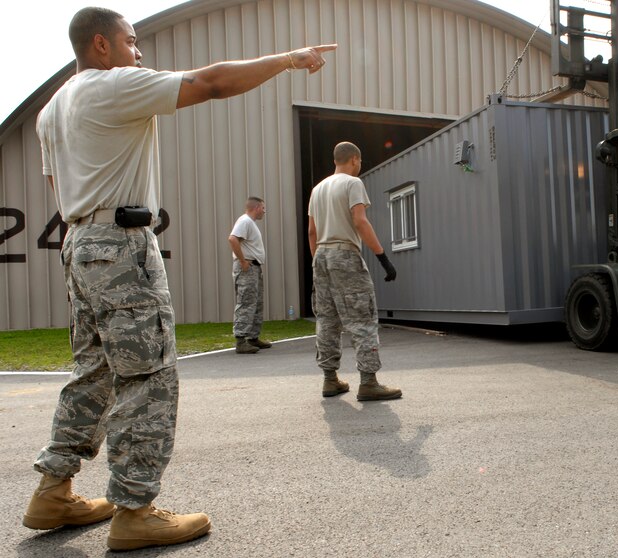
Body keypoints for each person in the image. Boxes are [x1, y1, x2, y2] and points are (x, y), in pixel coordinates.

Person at [26, 6, 335, 551]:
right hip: (122, 245)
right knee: (148, 377)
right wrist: (289, 59)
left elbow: (56, 183)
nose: (137, 51)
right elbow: (211, 82)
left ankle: (54, 490)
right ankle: (135, 511)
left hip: (79, 242)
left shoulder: (51, 111)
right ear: (101, 45)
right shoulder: (113, 86)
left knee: (93, 370)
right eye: (130, 40)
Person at [307, 142, 402, 401]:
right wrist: (383, 258)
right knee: (362, 316)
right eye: (360, 162)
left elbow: (312, 232)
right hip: (345, 254)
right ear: (354, 160)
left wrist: (319, 262)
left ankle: (329, 380)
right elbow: (360, 220)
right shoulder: (352, 183)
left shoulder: (317, 190)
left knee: (327, 319)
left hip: (321, 257)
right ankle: (369, 382)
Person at [229, 197, 270, 354]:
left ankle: (253, 338)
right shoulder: (245, 221)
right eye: (263, 208)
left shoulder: (250, 223)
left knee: (256, 303)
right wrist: (243, 261)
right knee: (246, 302)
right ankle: (241, 340)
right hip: (247, 267)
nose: (264, 211)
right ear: (257, 207)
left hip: (254, 267)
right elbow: (232, 239)